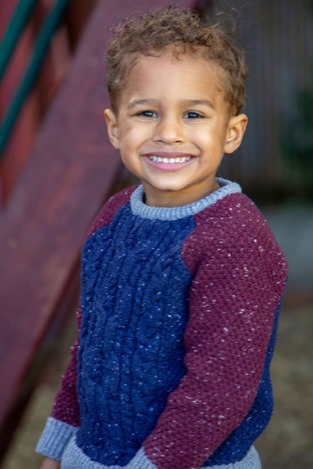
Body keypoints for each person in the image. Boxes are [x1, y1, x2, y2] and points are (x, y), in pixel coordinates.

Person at [36, 6, 288, 469]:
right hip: (91, 457)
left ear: (231, 132)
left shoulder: (235, 238)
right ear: (115, 127)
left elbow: (221, 387)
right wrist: (59, 444)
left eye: (193, 114)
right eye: (147, 112)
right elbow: (92, 344)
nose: (168, 133)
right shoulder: (113, 218)